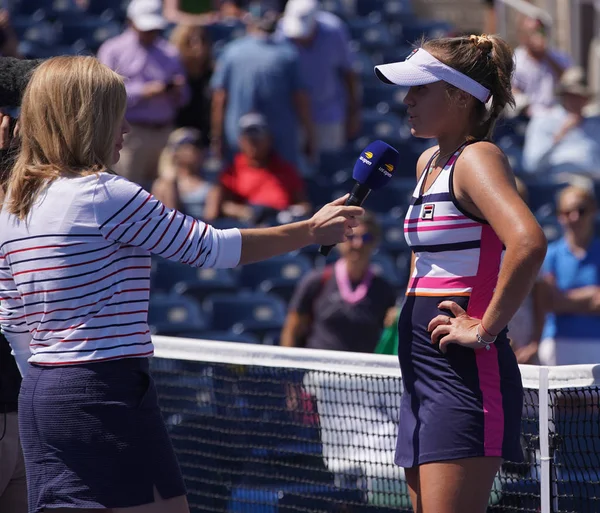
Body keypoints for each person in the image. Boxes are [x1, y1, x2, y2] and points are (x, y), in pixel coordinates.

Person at [0, 55, 362, 513]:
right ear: (86, 121)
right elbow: (211, 248)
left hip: (48, 393)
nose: (126, 129)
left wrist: (55, 382)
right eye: (117, 116)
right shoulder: (104, 194)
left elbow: (14, 323)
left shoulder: (15, 203)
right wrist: (311, 230)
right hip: (101, 390)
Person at [373, 34, 547, 512]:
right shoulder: (428, 161)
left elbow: (528, 242)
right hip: (420, 374)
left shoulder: (478, 158)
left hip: (463, 377)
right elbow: (424, 259)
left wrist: (486, 328)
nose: (407, 100)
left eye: (420, 90)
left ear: (461, 96)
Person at [210, 1, 316, 168]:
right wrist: (310, 136)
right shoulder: (288, 53)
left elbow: (219, 100)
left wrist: (216, 138)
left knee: (240, 188)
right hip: (273, 139)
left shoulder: (232, 51)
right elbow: (301, 100)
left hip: (244, 138)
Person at [97, 0, 190, 188]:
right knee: (128, 190)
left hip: (164, 133)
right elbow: (104, 94)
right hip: (131, 134)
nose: (150, 33)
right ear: (131, 22)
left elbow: (185, 97)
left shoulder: (169, 52)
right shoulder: (113, 50)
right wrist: (143, 92)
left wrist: (176, 90)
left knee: (167, 191)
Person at [281, 212, 397, 352]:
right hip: (319, 368)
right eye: (351, 237)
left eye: (366, 237)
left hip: (362, 370)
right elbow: (293, 328)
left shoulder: (383, 289)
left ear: (375, 242)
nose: (358, 244)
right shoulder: (317, 281)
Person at [279, 0, 360, 153]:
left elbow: (349, 73)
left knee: (328, 167)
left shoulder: (334, 30)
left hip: (328, 115)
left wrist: (353, 113)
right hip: (291, 117)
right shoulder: (281, 32)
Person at [207, 112, 311, 223]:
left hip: (282, 226)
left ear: (269, 139)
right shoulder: (231, 171)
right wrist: (244, 211)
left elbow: (304, 204)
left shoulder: (286, 169)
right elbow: (219, 206)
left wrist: (292, 212)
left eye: (258, 139)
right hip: (248, 230)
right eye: (249, 140)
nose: (253, 144)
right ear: (240, 141)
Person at [536, 185, 600, 365]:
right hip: (558, 343)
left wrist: (565, 300)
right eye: (567, 212)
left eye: (581, 210)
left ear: (593, 211)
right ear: (559, 216)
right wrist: (591, 295)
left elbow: (557, 301)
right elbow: (548, 301)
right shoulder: (550, 255)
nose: (574, 217)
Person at [522, 67, 600, 177]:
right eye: (571, 96)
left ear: (586, 99)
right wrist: (559, 135)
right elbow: (531, 165)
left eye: (580, 96)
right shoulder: (543, 121)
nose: (576, 101)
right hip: (557, 181)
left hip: (592, 183)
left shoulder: (596, 124)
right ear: (563, 97)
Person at [512, 16, 571, 117]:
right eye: (532, 32)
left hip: (556, 114)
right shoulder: (515, 60)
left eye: (541, 31)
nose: (537, 35)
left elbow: (570, 81)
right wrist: (527, 108)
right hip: (526, 116)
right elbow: (512, 89)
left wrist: (545, 55)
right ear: (522, 35)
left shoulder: (559, 57)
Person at [152, 127, 217, 219]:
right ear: (175, 152)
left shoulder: (211, 182)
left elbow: (210, 217)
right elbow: (167, 217)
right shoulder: (164, 183)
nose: (194, 150)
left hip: (201, 230)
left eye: (198, 145)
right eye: (187, 145)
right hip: (174, 229)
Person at [170, 25, 214, 147]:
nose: (198, 46)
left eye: (202, 40)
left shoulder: (213, 74)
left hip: (205, 140)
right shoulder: (173, 73)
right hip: (176, 137)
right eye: (190, 41)